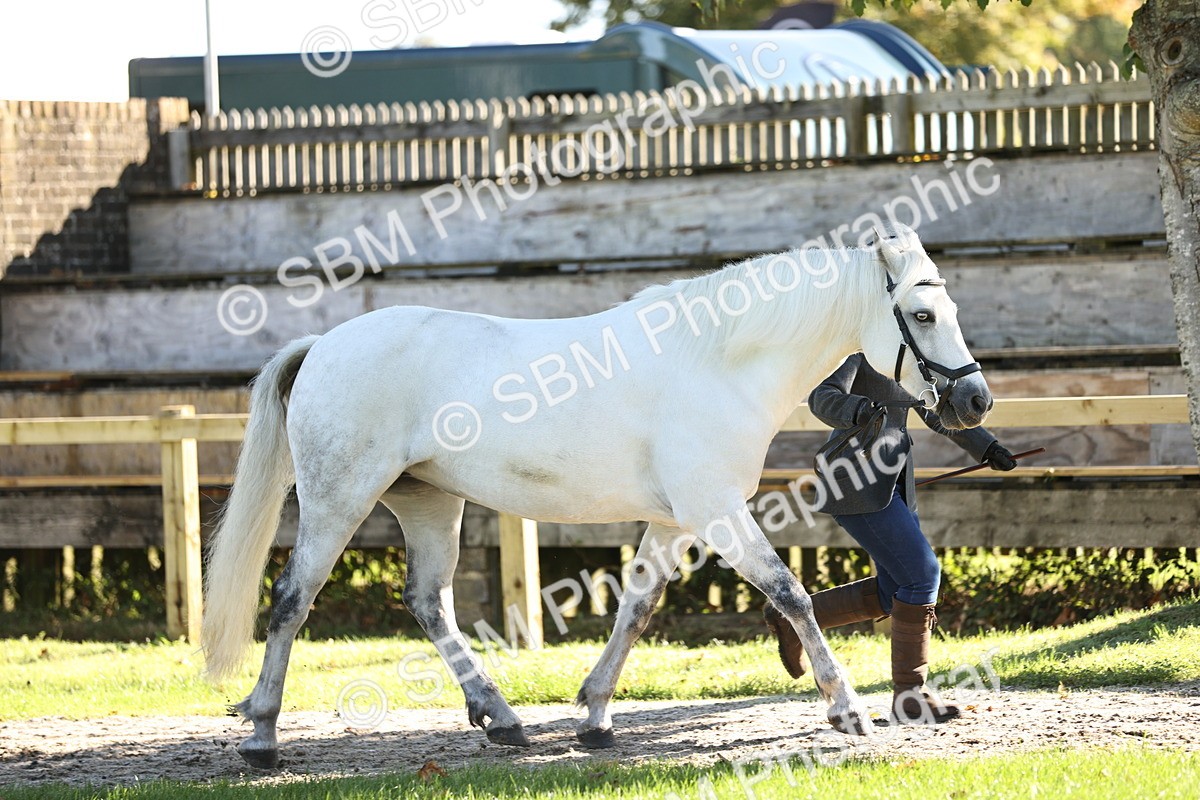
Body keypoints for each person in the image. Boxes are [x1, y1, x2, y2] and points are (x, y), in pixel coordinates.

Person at [763, 353, 1016, 723]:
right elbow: (823, 397)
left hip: (894, 481)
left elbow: (937, 411)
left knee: (892, 589)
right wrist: (862, 409)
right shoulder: (856, 351)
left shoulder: (909, 357)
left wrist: (987, 447)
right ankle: (910, 697)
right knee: (922, 575)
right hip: (855, 477)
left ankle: (791, 618)